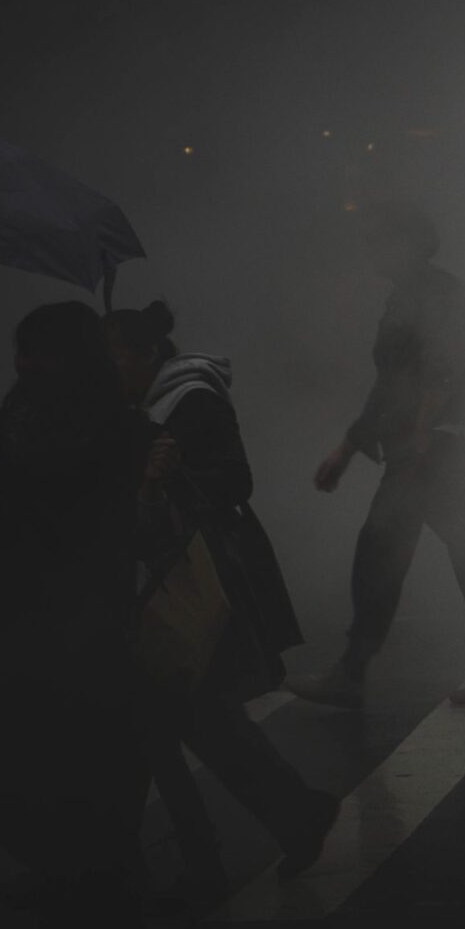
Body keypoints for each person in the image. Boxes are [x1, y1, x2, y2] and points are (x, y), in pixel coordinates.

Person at [108, 302, 337, 895]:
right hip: (179, 572)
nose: (110, 372)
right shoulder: (149, 403)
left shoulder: (191, 399)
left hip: (203, 573)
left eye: (116, 359)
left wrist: (160, 477)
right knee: (194, 716)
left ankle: (192, 859)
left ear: (146, 355)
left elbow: (235, 480)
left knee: (188, 713)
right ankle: (291, 816)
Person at [289, 202, 465, 709]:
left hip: (433, 447)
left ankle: (354, 673)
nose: (370, 250)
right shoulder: (408, 294)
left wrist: (422, 425)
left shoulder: (433, 293)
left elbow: (442, 361)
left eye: (379, 240)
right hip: (435, 445)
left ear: (406, 244)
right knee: (459, 552)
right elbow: (390, 382)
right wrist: (349, 446)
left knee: (385, 549)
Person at [0, 302, 159, 929]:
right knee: (28, 754)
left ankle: (97, 883)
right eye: (21, 351)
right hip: (19, 608)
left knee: (74, 753)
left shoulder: (110, 428)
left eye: (40, 353)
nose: (25, 364)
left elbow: (61, 492)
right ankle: (71, 874)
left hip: (76, 612)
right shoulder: (24, 413)